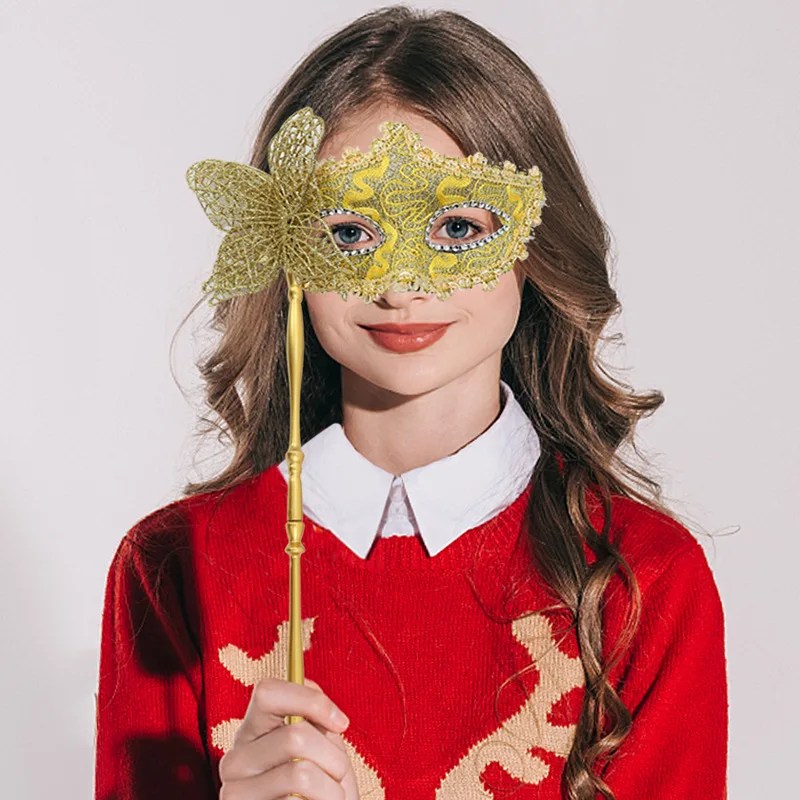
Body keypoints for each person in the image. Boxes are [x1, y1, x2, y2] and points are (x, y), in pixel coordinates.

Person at [93, 6, 728, 800]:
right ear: (283, 247)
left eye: (459, 227)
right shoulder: (174, 568)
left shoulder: (641, 582)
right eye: (350, 233)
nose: (402, 286)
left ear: (536, 244)